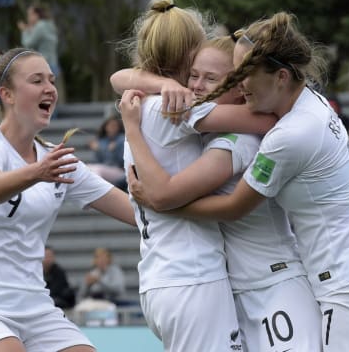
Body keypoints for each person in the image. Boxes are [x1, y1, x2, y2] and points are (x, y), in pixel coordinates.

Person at [156, 11, 349, 351]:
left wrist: (164, 203)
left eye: (246, 73)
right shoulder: (306, 104)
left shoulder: (292, 134)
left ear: (281, 77)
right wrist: (162, 86)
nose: (238, 83)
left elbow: (233, 207)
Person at [118, 35, 321, 351]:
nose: (197, 86)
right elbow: (118, 78)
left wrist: (132, 129)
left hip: (273, 285)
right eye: (193, 75)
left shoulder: (241, 140)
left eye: (210, 78)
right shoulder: (204, 129)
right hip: (238, 291)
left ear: (240, 86)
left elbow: (164, 195)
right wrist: (161, 83)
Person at [0, 47, 137, 352]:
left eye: (51, 80)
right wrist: (37, 172)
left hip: (36, 309)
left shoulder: (55, 161)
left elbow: (135, 212)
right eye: (36, 81)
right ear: (7, 95)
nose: (49, 89)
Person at [111, 0, 276, 352]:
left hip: (160, 279)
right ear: (189, 55)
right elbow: (267, 119)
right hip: (191, 278)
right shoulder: (179, 108)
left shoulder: (139, 100)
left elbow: (118, 77)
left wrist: (156, 85)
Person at [18, 4, 60, 77]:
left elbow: (28, 44)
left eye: (29, 15)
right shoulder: (49, 24)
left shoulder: (40, 26)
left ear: (36, 15)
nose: (28, 18)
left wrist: (24, 31)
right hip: (53, 63)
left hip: (43, 64)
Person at [86, 116, 126, 187]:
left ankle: (98, 189)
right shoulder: (102, 140)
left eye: (114, 125)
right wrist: (97, 150)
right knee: (88, 167)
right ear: (105, 127)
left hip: (119, 170)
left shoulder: (122, 139)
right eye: (110, 125)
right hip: (105, 169)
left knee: (97, 169)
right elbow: (98, 161)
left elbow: (122, 162)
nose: (112, 127)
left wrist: (112, 151)